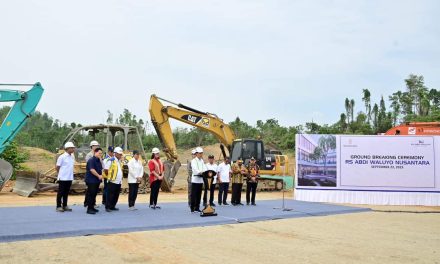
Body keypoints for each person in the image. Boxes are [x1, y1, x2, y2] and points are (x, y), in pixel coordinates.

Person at [55, 142, 76, 212]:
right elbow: (57, 167)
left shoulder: (72, 156)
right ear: (67, 149)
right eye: (72, 148)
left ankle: (65, 205)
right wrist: (60, 174)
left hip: (69, 178)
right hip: (63, 178)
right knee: (60, 192)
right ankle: (58, 206)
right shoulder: (62, 157)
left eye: (73, 148)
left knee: (66, 192)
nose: (73, 149)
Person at [85, 147, 103, 214]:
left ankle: (92, 207)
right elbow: (92, 170)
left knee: (94, 194)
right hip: (91, 180)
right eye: (99, 153)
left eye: (101, 153)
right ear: (95, 152)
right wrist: (99, 176)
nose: (100, 154)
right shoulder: (91, 160)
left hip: (96, 181)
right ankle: (89, 209)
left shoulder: (98, 160)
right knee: (91, 194)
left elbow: (100, 169)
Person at [105, 147, 124, 212]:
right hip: (112, 181)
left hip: (118, 181)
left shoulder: (119, 161)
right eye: (119, 154)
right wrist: (109, 177)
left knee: (116, 195)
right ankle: (108, 207)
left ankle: (113, 206)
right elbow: (106, 170)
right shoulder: (111, 160)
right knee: (110, 195)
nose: (120, 155)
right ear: (115, 153)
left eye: (121, 154)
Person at [190, 147, 207, 213]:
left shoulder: (202, 161)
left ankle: (197, 207)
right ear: (196, 153)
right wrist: (201, 172)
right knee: (194, 195)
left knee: (199, 195)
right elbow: (195, 169)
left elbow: (204, 168)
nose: (201, 154)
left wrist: (205, 172)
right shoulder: (193, 161)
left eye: (202, 153)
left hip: (200, 180)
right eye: (200, 153)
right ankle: (192, 208)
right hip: (195, 180)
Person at [84, 140, 100, 207]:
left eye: (97, 146)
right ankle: (88, 203)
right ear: (92, 146)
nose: (96, 147)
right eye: (95, 146)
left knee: (94, 191)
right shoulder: (89, 155)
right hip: (91, 175)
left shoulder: (98, 155)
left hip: (96, 175)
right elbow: (90, 166)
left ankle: (91, 203)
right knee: (90, 190)